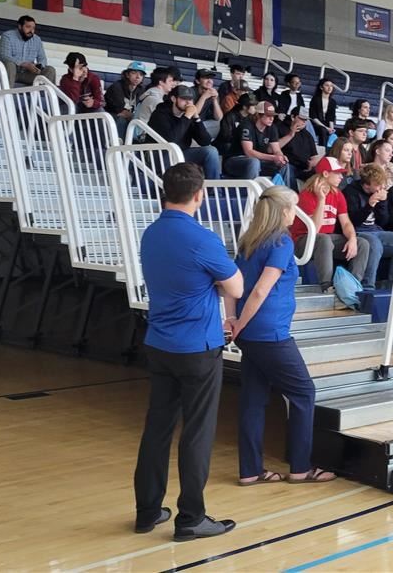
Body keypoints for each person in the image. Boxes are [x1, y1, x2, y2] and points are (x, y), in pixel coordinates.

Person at [133, 162, 242, 541]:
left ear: (165, 192)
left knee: (157, 428)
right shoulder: (203, 239)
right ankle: (191, 517)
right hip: (197, 347)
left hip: (160, 344)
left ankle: (148, 511)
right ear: (200, 195)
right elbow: (237, 287)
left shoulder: (150, 234)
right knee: (197, 433)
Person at [224, 186, 335, 486]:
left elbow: (231, 286)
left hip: (251, 334)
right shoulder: (281, 241)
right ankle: (300, 467)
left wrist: (233, 321)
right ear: (283, 211)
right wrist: (241, 324)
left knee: (253, 399)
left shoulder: (249, 241)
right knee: (303, 393)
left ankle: (250, 470)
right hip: (269, 333)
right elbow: (260, 290)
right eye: (293, 207)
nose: (295, 213)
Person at [291, 157, 371, 294]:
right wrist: (321, 199)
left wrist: (352, 239)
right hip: (302, 242)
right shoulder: (306, 195)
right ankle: (327, 286)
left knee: (362, 243)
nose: (341, 176)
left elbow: (346, 223)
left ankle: (352, 287)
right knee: (323, 239)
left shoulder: (337, 194)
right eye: (338, 173)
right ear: (326, 174)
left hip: (326, 240)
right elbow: (314, 230)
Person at [342, 163, 393, 290]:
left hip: (376, 230)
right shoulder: (350, 192)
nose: (382, 187)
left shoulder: (380, 192)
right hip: (357, 231)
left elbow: (383, 221)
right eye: (378, 185)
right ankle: (368, 286)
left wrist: (383, 203)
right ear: (367, 185)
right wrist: (370, 204)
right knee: (374, 243)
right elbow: (353, 221)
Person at [146, 84, 221, 180]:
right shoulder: (160, 114)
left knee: (211, 151)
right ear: (174, 99)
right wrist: (187, 117)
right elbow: (171, 140)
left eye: (190, 99)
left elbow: (205, 141)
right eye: (184, 99)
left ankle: (214, 190)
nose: (188, 103)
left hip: (181, 152)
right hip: (159, 154)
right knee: (170, 152)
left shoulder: (188, 115)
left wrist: (196, 118)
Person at [222, 102, 293, 185]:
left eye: (273, 116)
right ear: (258, 115)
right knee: (254, 162)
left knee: (284, 164)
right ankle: (249, 195)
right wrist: (273, 157)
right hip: (234, 160)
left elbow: (276, 150)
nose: (272, 119)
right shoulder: (246, 125)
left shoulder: (272, 127)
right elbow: (249, 152)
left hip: (259, 161)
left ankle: (283, 195)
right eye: (268, 116)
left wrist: (280, 157)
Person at [0, 15, 57, 85]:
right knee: (10, 65)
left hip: (27, 73)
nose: (31, 31)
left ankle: (43, 95)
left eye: (33, 28)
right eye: (28, 27)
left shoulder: (37, 40)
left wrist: (39, 67)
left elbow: (42, 58)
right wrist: (24, 64)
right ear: (20, 26)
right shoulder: (7, 36)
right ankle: (6, 95)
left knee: (50, 70)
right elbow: (4, 55)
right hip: (9, 72)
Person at [104, 61, 147, 138]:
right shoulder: (116, 87)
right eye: (134, 73)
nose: (138, 77)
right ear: (127, 74)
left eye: (141, 74)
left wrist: (133, 115)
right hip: (110, 115)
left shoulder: (141, 90)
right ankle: (117, 143)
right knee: (122, 119)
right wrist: (133, 115)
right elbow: (120, 110)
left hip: (129, 116)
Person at [280, 107, 321, 184]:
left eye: (306, 120)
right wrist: (291, 135)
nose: (304, 122)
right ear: (292, 117)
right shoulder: (281, 128)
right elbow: (273, 148)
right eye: (302, 119)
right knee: (287, 168)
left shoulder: (307, 135)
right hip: (288, 165)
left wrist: (313, 163)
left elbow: (314, 156)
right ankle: (292, 195)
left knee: (321, 174)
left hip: (304, 168)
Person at [216, 92, 257, 157]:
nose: (256, 108)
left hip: (243, 145)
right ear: (244, 107)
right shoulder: (230, 116)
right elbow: (225, 136)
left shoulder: (252, 118)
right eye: (253, 106)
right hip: (227, 146)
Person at [192, 68, 224, 140]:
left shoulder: (211, 93)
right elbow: (193, 114)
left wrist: (215, 100)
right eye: (206, 78)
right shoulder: (191, 92)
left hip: (202, 124)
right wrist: (204, 97)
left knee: (220, 123)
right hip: (190, 124)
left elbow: (219, 117)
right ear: (197, 81)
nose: (210, 81)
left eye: (211, 78)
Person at [309, 77, 338, 145]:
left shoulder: (332, 102)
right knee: (323, 130)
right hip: (316, 124)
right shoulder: (315, 99)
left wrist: (331, 128)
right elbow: (313, 116)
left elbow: (331, 118)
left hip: (326, 124)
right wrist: (326, 128)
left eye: (331, 86)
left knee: (335, 132)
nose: (329, 87)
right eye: (327, 85)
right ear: (321, 87)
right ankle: (323, 149)